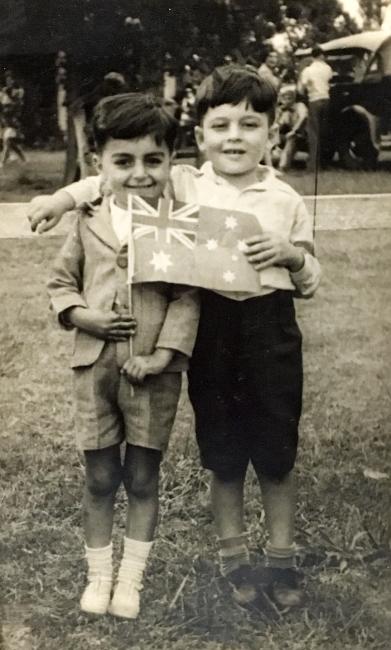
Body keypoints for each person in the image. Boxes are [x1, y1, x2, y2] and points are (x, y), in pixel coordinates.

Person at [29, 66, 321, 609]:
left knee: (277, 454)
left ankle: (283, 563)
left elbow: (310, 277)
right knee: (224, 452)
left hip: (270, 327)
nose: (234, 136)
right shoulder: (185, 182)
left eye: (250, 124)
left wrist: (293, 256)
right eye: (221, 125)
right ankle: (236, 565)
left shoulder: (285, 199)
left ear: (273, 133)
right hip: (213, 328)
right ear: (201, 135)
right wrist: (61, 201)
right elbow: (111, 175)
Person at [47, 93, 199, 619]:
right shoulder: (89, 220)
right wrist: (80, 315)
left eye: (153, 160)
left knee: (140, 478)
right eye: (123, 161)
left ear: (171, 160)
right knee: (99, 478)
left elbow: (187, 296)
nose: (139, 173)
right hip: (94, 369)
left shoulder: (178, 221)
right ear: (99, 165)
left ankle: (130, 581)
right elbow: (61, 283)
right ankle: (98, 577)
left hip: (152, 375)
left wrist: (161, 356)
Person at [297, 46, 333, 172]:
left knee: (313, 133)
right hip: (326, 99)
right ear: (322, 55)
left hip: (314, 100)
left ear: (312, 56)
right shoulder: (327, 68)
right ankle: (324, 162)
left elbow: (301, 89)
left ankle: (313, 165)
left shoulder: (308, 70)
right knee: (324, 132)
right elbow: (329, 80)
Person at [270, 84, 308, 172]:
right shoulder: (284, 110)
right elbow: (278, 125)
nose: (285, 100)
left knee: (291, 138)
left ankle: (282, 167)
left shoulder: (300, 106)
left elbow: (304, 117)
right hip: (287, 134)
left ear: (293, 98)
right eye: (283, 97)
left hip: (302, 135)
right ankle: (267, 162)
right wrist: (279, 115)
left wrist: (294, 130)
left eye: (288, 97)